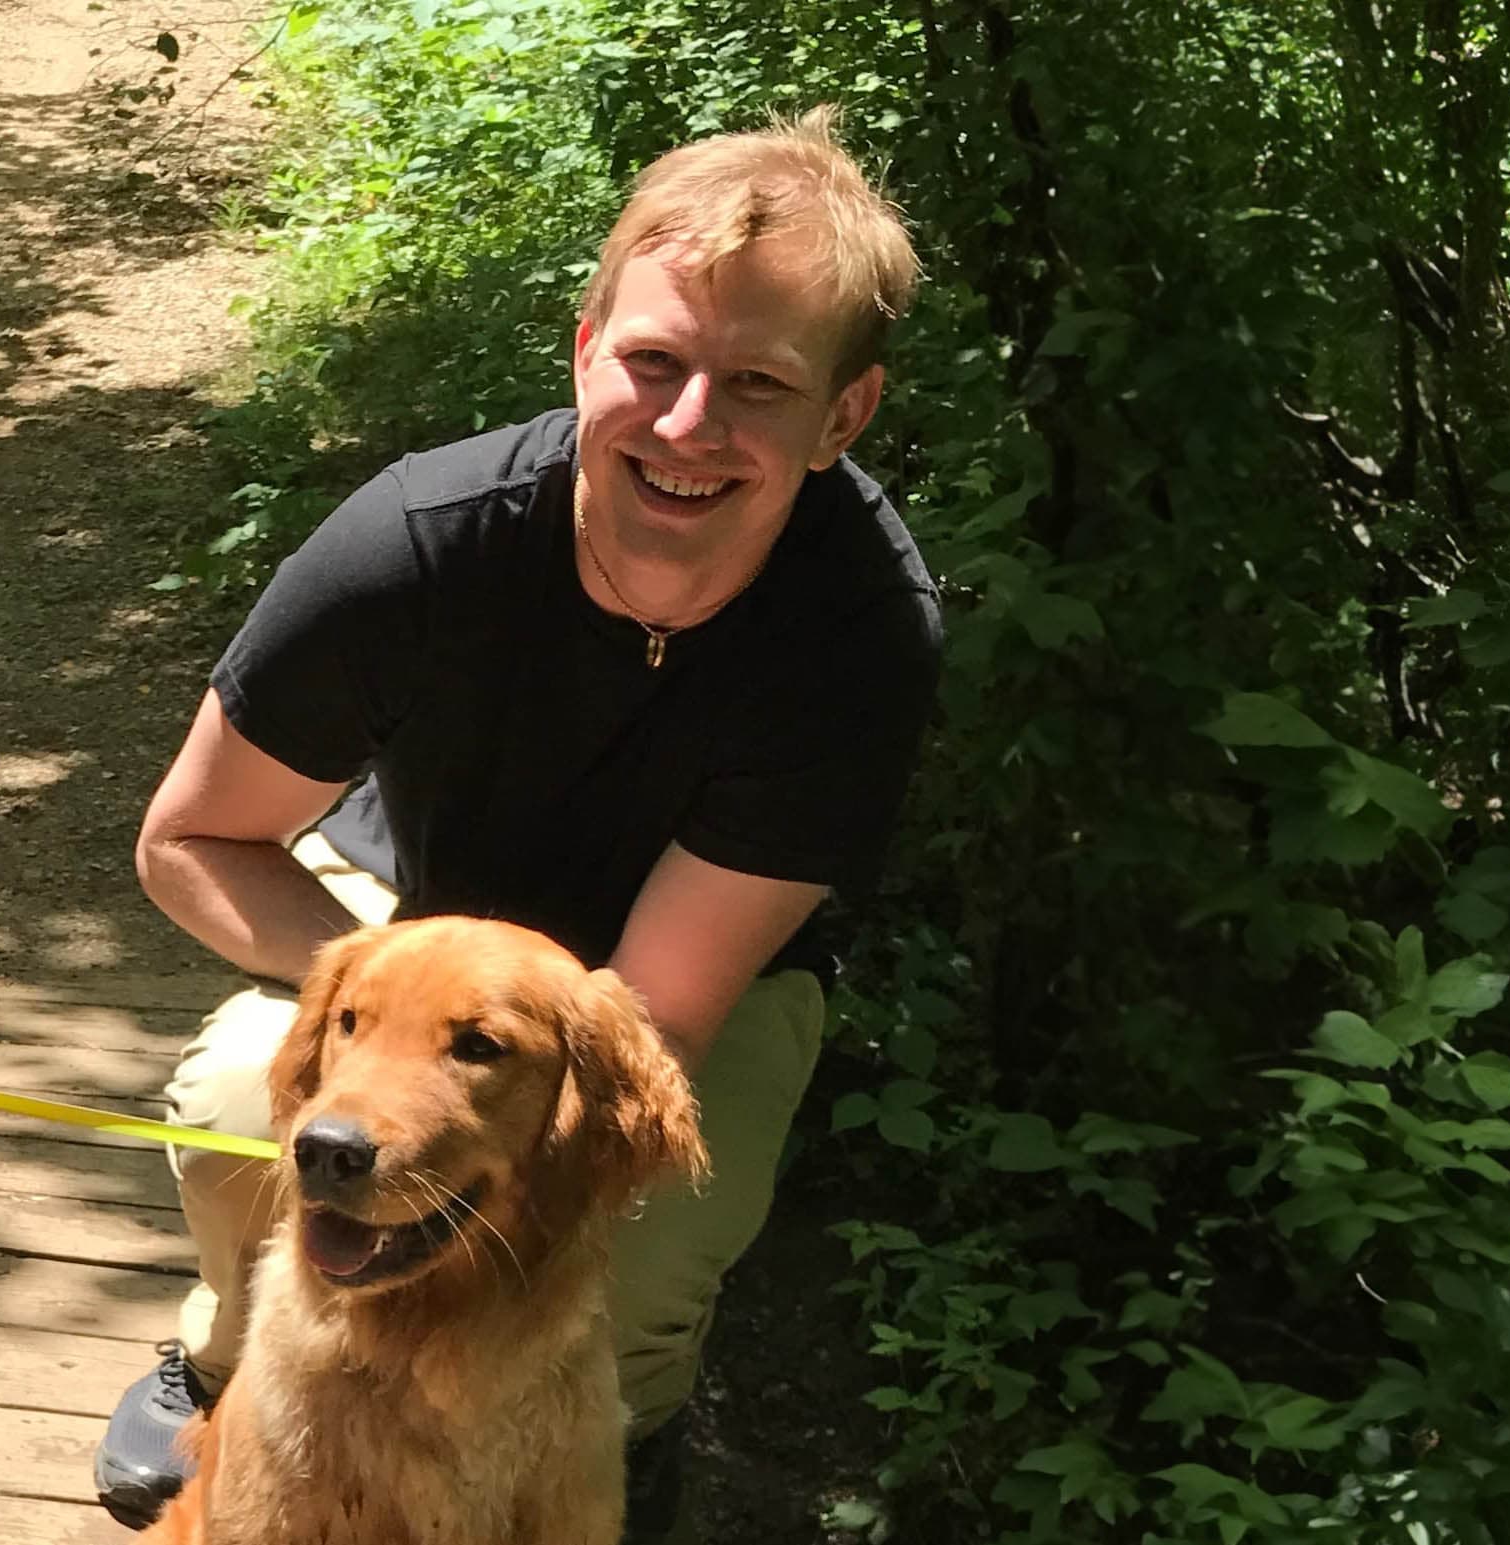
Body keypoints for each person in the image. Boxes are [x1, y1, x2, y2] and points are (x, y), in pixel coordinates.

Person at [93, 105, 941, 1543]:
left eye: (756, 386)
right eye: (655, 363)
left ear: (840, 416)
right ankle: (231, 1361)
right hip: (408, 922)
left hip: (682, 980)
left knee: (645, 1230)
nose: (688, 428)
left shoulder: (856, 630)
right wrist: (386, 996)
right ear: (585, 347)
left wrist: (489, 1068)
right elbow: (190, 839)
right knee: (255, 1102)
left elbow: (653, 1017)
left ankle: (618, 1440)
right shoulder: (420, 544)